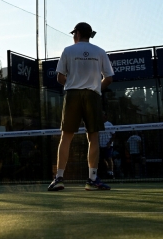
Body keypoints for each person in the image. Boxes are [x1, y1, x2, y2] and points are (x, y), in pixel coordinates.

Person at [48, 22, 114, 191]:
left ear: (77, 33)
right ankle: (92, 180)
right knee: (93, 137)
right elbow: (108, 78)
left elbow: (60, 78)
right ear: (89, 34)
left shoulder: (68, 50)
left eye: (73, 33)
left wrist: (71, 82)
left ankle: (59, 178)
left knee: (66, 137)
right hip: (93, 95)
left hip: (72, 95)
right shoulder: (100, 51)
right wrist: (96, 87)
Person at [98, 112, 115, 179]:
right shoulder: (98, 124)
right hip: (100, 145)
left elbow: (114, 135)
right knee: (102, 159)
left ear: (105, 116)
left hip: (108, 145)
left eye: (103, 115)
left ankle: (111, 173)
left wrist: (109, 143)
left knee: (109, 158)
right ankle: (106, 172)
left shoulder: (109, 124)